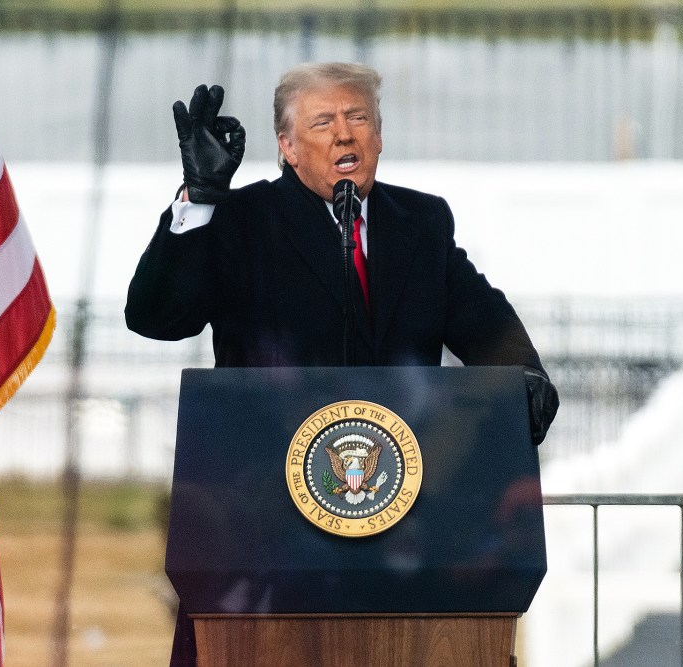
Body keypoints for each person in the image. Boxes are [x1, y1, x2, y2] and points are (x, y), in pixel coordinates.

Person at [127, 64, 558, 663]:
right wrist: (199, 199)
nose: (344, 135)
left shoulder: (422, 223)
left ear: (379, 136)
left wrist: (525, 375)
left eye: (358, 118)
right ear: (286, 145)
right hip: (269, 534)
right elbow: (155, 318)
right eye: (322, 122)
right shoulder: (241, 222)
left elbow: (481, 317)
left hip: (406, 529)